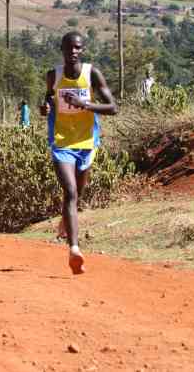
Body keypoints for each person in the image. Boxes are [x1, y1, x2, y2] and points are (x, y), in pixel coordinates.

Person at [40, 31, 118, 274]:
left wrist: (85, 105)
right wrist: (44, 107)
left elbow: (113, 107)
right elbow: (47, 101)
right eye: (69, 48)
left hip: (86, 142)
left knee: (78, 193)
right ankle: (74, 249)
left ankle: (66, 220)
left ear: (81, 50)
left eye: (77, 48)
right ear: (61, 49)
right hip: (62, 141)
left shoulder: (91, 74)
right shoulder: (54, 75)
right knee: (70, 191)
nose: (73, 52)